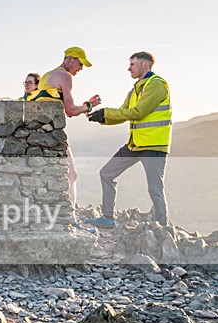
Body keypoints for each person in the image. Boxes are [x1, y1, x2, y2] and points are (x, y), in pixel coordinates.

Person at [87, 52, 171, 228]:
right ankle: (108, 219)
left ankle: (162, 227)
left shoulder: (157, 85)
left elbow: (138, 112)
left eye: (132, 64)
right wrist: (102, 117)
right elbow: (122, 113)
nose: (129, 68)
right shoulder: (134, 90)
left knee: (155, 189)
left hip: (153, 146)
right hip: (134, 145)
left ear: (145, 65)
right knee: (106, 173)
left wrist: (106, 112)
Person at [27, 47, 102, 210]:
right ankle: (70, 216)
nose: (81, 68)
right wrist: (89, 105)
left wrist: (83, 107)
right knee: (71, 173)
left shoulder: (48, 75)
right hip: (51, 132)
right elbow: (70, 111)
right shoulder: (65, 76)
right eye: (80, 64)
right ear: (70, 59)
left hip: (36, 130)